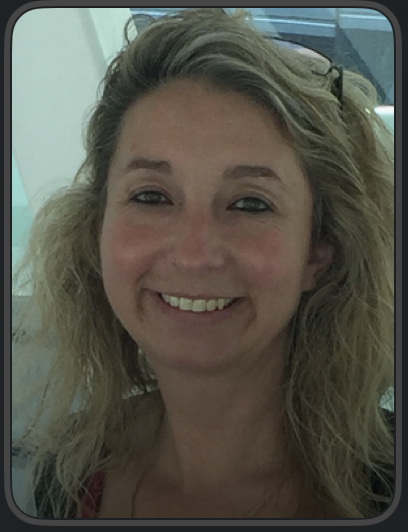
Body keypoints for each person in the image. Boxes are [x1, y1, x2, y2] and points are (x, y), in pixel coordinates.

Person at [12, 8, 394, 519]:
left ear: (319, 251)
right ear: (96, 229)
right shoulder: (69, 470)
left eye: (250, 203)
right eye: (151, 196)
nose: (194, 255)